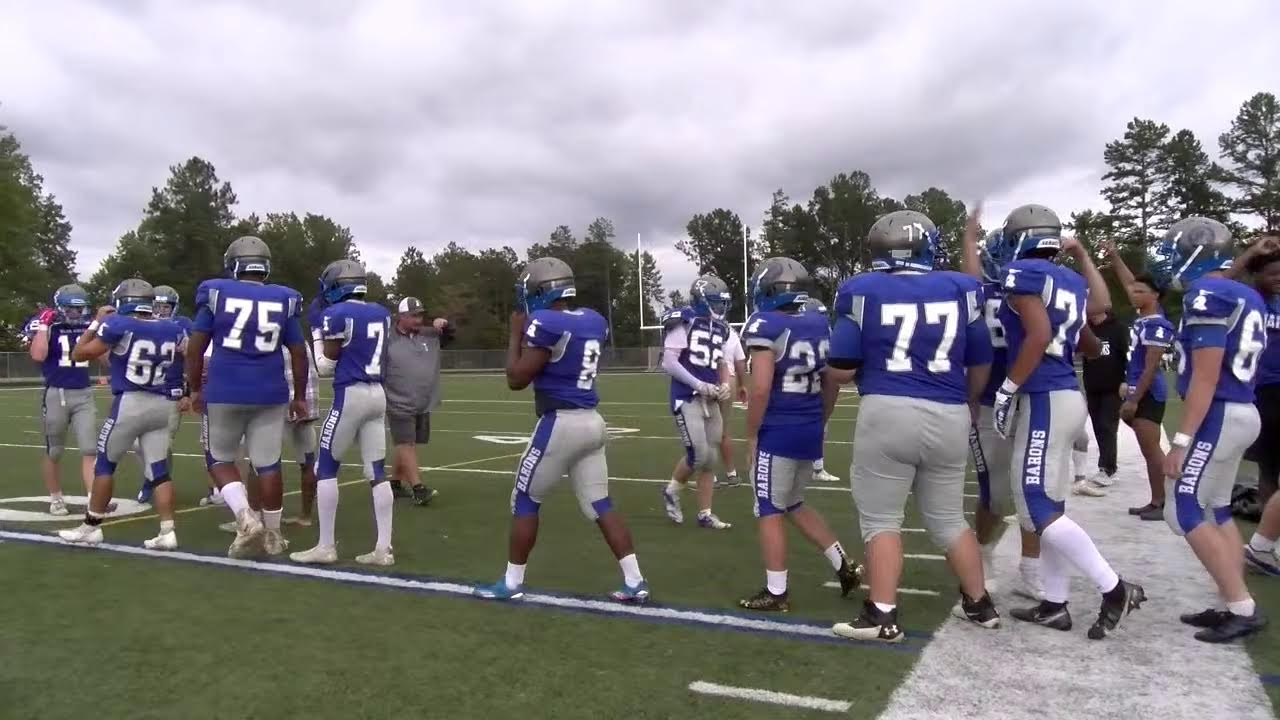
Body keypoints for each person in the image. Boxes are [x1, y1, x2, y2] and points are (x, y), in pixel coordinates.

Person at [828, 210, 998, 643]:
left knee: (882, 518)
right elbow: (981, 360)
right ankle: (980, 604)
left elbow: (842, 366)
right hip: (950, 411)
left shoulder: (860, 289)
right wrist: (969, 400)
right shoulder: (963, 288)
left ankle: (881, 615)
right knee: (948, 517)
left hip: (887, 410)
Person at [989, 203, 1145, 640]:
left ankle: (1115, 588)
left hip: (1043, 398)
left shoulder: (1023, 273)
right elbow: (1093, 331)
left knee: (1036, 505)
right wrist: (1081, 255)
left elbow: (1040, 334)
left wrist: (1007, 388)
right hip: (1066, 394)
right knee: (1052, 506)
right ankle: (1055, 604)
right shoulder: (1069, 280)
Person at [474, 257, 648, 603]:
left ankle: (511, 583)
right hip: (593, 421)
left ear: (540, 291)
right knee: (600, 502)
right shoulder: (593, 319)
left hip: (561, 424)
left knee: (525, 499)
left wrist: (515, 334)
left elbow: (516, 379)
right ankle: (635, 580)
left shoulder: (547, 323)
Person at [1144, 216, 1268, 642]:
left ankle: (1242, 607)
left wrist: (1180, 441)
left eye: (1174, 250)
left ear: (1196, 254)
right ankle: (1232, 601)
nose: (1168, 259)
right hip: (1242, 409)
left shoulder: (1208, 294)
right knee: (1217, 508)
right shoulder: (1243, 293)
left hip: (1219, 414)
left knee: (1184, 508)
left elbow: (1206, 376)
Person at [735, 256, 860, 612]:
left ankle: (777, 592)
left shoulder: (765, 324)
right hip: (808, 425)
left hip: (779, 429)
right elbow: (832, 381)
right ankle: (844, 565)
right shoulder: (819, 323)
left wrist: (752, 435)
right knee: (793, 503)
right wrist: (821, 419)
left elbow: (761, 389)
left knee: (768, 508)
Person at [186, 236, 310, 559]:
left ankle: (245, 517)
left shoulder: (216, 292)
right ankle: (274, 536)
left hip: (225, 390)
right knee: (268, 464)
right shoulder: (284, 298)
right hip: (270, 391)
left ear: (233, 263)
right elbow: (298, 353)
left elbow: (196, 348)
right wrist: (299, 396)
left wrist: (194, 388)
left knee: (219, 460)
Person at [57, 279, 185, 549]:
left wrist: (95, 323)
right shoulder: (172, 328)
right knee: (159, 470)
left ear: (123, 301)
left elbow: (79, 354)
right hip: (161, 403)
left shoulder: (119, 324)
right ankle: (167, 530)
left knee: (104, 466)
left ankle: (91, 528)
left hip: (131, 403)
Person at [291, 260, 395, 566]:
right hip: (378, 394)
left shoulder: (336, 314)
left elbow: (325, 365)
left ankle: (326, 546)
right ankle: (383, 548)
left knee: (325, 468)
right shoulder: (381, 312)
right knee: (376, 471)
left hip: (351, 394)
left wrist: (315, 331)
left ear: (335, 286)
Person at [964, 222, 1043, 601]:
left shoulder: (1034, 290)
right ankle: (982, 553)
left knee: (1033, 490)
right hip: (988, 401)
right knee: (994, 494)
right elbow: (971, 277)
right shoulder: (979, 293)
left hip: (1028, 397)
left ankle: (1031, 569)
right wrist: (968, 240)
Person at [1100, 241, 1174, 518]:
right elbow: (1130, 282)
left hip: (1148, 393)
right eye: (1134, 290)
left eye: (1141, 292)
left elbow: (1151, 368)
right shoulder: (1144, 317)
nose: (1133, 293)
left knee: (1153, 451)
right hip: (1138, 391)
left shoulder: (1156, 324)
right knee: (1148, 451)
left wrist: (1133, 398)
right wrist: (1115, 257)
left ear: (1155, 296)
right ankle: (1156, 500)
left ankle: (1166, 503)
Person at [658, 275, 734, 530]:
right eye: (717, 302)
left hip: (710, 397)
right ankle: (671, 491)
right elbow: (669, 362)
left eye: (723, 303)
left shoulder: (721, 327)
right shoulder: (683, 321)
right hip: (687, 396)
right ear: (701, 300)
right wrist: (698, 384)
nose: (721, 307)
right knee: (699, 455)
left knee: (711, 458)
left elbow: (721, 362)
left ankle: (705, 513)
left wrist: (725, 383)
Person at [1232, 233, 1280, 576]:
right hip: (1263, 390)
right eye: (1272, 273)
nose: (1278, 279)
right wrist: (1250, 253)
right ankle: (1266, 541)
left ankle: (1265, 541)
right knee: (1268, 468)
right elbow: (1220, 284)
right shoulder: (1250, 299)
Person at [28, 284, 98, 516]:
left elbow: (105, 357)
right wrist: (43, 326)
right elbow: (38, 355)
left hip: (84, 393)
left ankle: (93, 500)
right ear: (60, 307)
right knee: (55, 451)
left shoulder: (89, 326)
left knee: (90, 449)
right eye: (70, 308)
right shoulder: (48, 325)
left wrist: (103, 329)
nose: (76, 313)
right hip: (56, 394)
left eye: (79, 308)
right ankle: (56, 498)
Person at [384, 296, 453, 505]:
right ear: (401, 316)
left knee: (410, 442)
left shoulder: (428, 334)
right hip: (397, 400)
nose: (418, 320)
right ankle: (418, 488)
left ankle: (395, 484)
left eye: (420, 315)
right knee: (406, 443)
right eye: (413, 316)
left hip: (423, 400)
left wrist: (445, 324)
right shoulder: (387, 337)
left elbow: (450, 336)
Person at [136, 284, 191, 505]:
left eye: (165, 307)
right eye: (156, 306)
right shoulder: (139, 322)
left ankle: (155, 482)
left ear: (173, 308)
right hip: (142, 390)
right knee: (138, 444)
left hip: (171, 391)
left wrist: (188, 392)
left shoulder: (182, 326)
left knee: (163, 444)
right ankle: (154, 477)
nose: (160, 311)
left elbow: (192, 358)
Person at [1077, 307, 1129, 496]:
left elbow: (1127, 355)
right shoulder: (1086, 328)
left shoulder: (1118, 328)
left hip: (1113, 387)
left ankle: (1107, 468)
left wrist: (1126, 380)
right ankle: (1106, 465)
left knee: (1108, 426)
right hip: (1092, 386)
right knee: (1098, 427)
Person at [802, 297, 841, 483]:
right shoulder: (799, 336)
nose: (823, 320)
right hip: (800, 391)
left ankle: (816, 468)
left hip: (815, 387)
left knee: (821, 428)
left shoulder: (824, 335)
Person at [715, 322, 747, 488]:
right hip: (729, 379)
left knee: (706, 431)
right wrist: (742, 385)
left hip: (707, 377)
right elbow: (740, 361)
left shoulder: (697, 327)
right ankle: (731, 473)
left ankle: (710, 475)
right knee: (725, 431)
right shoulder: (731, 332)